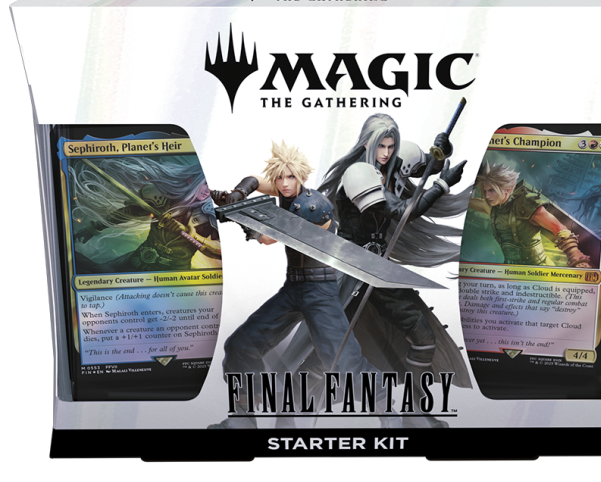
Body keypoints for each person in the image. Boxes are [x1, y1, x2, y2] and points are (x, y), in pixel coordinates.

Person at [208, 141, 396, 429]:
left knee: (344, 362)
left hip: (320, 291)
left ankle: (391, 416)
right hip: (294, 287)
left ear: (301, 177)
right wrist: (239, 193)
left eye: (290, 177)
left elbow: (268, 238)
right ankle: (244, 419)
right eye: (280, 177)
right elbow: (257, 180)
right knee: (241, 345)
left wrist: (240, 218)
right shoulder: (286, 191)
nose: (284, 184)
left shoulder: (311, 206)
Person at [317, 113, 473, 428]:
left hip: (377, 269)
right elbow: (402, 212)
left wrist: (441, 150)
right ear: (367, 143)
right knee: (330, 351)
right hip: (353, 273)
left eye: (391, 146)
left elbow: (428, 163)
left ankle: (413, 412)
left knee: (422, 336)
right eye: (380, 146)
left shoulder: (392, 160)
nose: (386, 153)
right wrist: (442, 185)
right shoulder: (357, 174)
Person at [69, 155, 221, 273]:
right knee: (91, 271)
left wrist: (193, 235)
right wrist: (95, 227)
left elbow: (218, 252)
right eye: (205, 183)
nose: (208, 191)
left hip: (174, 272)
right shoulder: (163, 198)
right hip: (138, 260)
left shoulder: (209, 216)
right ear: (191, 180)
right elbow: (130, 212)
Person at [467, 160, 591, 267]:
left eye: (491, 190)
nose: (487, 196)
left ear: (507, 189)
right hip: (511, 270)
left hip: (540, 270)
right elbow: (465, 202)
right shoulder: (492, 208)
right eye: (485, 191)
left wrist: (574, 255)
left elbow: (558, 228)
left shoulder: (525, 204)